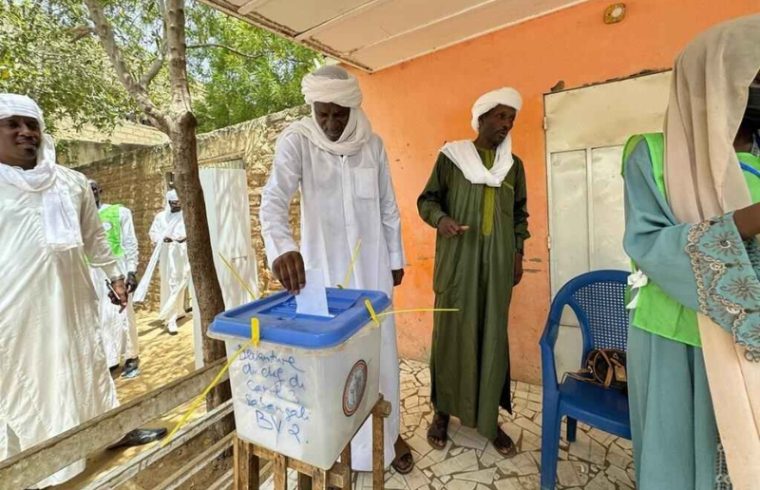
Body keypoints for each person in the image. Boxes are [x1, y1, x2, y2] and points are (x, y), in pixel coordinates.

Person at [622, 15, 760, 489]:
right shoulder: (652, 154)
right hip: (675, 336)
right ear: (711, 82)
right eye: (754, 76)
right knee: (678, 461)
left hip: (752, 340)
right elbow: (648, 245)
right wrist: (752, 218)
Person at [0, 94, 164, 488]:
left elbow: (95, 240)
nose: (26, 132)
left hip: (73, 299)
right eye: (13, 124)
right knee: (26, 383)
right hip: (14, 311)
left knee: (88, 367)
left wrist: (117, 276)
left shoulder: (71, 183)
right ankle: (28, 467)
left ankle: (110, 431)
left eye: (32, 123)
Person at [260, 65, 412, 474]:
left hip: (372, 270)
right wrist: (282, 248)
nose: (330, 123)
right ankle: (333, 444)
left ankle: (388, 434)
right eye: (322, 113)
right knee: (331, 360)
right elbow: (273, 200)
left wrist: (395, 259)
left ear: (352, 108)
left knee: (379, 353)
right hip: (322, 274)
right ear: (313, 108)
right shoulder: (298, 140)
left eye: (339, 114)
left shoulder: (373, 145)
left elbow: (386, 207)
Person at [417, 87, 529, 456]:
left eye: (511, 118)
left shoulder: (514, 166)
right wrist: (442, 219)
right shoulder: (452, 157)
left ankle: (487, 418)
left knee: (491, 335)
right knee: (452, 334)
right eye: (500, 116)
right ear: (481, 118)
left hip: (497, 265)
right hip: (458, 263)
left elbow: (519, 214)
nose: (506, 124)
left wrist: (517, 254)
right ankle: (442, 412)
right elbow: (427, 199)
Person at [89, 179, 141, 378]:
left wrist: (131, 270)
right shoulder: (79, 217)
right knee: (100, 317)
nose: (90, 193)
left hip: (116, 271)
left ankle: (131, 357)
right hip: (91, 271)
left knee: (122, 314)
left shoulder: (119, 212)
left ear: (99, 190)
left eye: (93, 189)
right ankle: (110, 358)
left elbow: (129, 242)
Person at [146, 190, 190, 335]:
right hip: (169, 252)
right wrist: (162, 238)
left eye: (179, 203)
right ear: (169, 203)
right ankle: (170, 319)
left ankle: (179, 311)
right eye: (174, 203)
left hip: (183, 251)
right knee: (171, 283)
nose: (177, 206)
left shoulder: (185, 215)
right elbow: (153, 233)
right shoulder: (161, 217)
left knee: (183, 281)